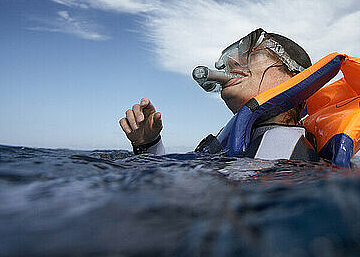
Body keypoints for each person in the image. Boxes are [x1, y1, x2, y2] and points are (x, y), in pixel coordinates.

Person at [118, 29, 319, 161]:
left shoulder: (284, 149)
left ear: (294, 80)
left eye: (253, 53)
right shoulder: (248, 141)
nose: (232, 63)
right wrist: (147, 144)